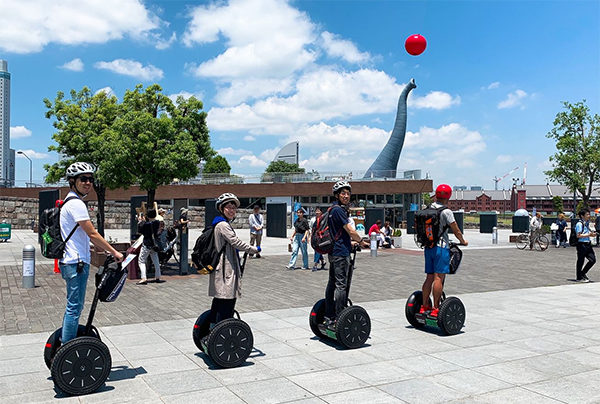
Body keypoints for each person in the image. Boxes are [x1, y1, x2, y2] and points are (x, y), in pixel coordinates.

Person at [59, 162, 124, 344]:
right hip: (76, 263)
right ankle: (66, 348)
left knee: (73, 306)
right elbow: (92, 233)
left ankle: (66, 345)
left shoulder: (69, 202)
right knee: (74, 308)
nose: (88, 183)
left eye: (90, 179)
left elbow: (84, 236)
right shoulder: (76, 204)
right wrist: (114, 252)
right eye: (83, 179)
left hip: (72, 261)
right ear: (72, 181)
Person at [207, 193, 259, 328]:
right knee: (226, 301)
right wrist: (253, 249)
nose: (232, 210)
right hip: (225, 269)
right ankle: (219, 331)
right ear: (222, 209)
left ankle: (213, 328)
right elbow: (235, 242)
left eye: (234, 208)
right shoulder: (222, 225)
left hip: (226, 267)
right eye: (228, 207)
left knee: (220, 300)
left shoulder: (221, 223)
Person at [323, 181, 368, 329]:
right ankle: (339, 316)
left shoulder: (331, 210)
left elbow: (340, 233)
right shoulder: (338, 211)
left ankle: (329, 316)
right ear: (337, 195)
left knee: (332, 284)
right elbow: (350, 230)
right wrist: (361, 241)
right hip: (340, 253)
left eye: (348, 193)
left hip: (335, 251)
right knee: (341, 285)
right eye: (343, 193)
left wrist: (352, 243)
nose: (346, 196)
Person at [419, 184, 468, 317]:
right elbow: (456, 230)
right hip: (441, 248)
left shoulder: (428, 209)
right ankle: (435, 308)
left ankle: (424, 307)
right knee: (438, 278)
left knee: (429, 277)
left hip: (428, 247)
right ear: (449, 196)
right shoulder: (446, 212)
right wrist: (463, 241)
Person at [137, 209, 163, 285]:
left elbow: (140, 231)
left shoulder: (146, 224)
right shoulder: (157, 222)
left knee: (141, 261)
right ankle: (158, 276)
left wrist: (140, 222)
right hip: (154, 245)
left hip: (147, 244)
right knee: (156, 261)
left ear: (148, 215)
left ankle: (143, 278)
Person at [575, 208, 597, 282]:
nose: (589, 216)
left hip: (588, 244)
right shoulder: (579, 224)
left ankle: (583, 273)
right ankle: (579, 277)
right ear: (582, 216)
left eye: (589, 214)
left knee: (592, 260)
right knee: (580, 261)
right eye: (587, 214)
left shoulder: (586, 223)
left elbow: (588, 233)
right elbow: (578, 235)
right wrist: (589, 235)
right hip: (581, 244)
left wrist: (592, 234)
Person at [309, 207, 327, 271]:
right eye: (316, 211)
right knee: (317, 250)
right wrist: (310, 236)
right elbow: (311, 228)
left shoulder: (324, 219)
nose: (317, 212)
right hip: (314, 237)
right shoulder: (313, 219)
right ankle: (323, 261)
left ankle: (315, 265)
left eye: (318, 211)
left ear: (321, 212)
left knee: (317, 250)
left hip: (321, 237)